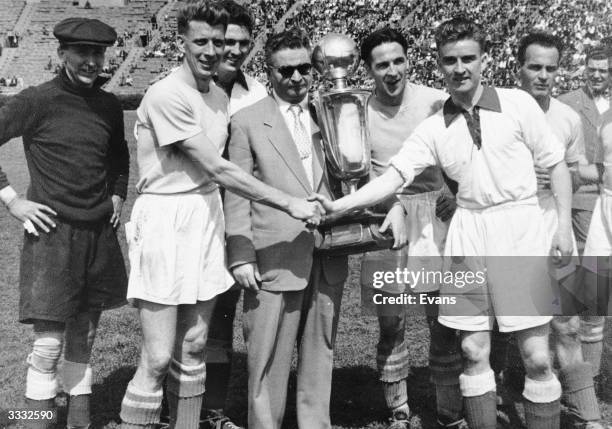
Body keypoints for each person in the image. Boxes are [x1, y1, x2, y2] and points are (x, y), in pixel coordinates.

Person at [313, 16, 573, 429]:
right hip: (467, 234)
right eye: (450, 60)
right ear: (438, 63)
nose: (460, 68)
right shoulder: (433, 127)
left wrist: (560, 229)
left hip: (520, 231)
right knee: (472, 350)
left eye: (468, 58)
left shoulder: (517, 104)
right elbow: (393, 177)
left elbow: (557, 166)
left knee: (538, 356)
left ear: (484, 59)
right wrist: (337, 207)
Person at [118, 4, 321, 429]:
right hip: (165, 215)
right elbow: (219, 167)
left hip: (206, 213)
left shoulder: (216, 95)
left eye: (219, 41)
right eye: (202, 42)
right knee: (157, 357)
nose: (212, 51)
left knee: (194, 343)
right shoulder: (166, 93)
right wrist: (287, 202)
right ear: (182, 43)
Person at [0, 17, 129, 429]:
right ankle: (32, 421)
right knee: (48, 346)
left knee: (85, 339)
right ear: (62, 54)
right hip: (52, 236)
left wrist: (117, 193)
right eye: (82, 53)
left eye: (98, 53)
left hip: (98, 235)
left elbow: (119, 157)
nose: (92, 61)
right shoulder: (37, 100)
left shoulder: (108, 105)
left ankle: (79, 422)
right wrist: (12, 201)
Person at [223, 28, 348, 429]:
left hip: (326, 252)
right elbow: (236, 191)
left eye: (304, 69)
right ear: (269, 71)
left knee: (319, 351)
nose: (296, 78)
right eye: (286, 71)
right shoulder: (246, 121)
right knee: (267, 358)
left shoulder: (330, 111)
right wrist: (240, 253)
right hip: (273, 253)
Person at [357, 27, 464, 429]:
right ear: (368, 68)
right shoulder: (360, 111)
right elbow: (358, 174)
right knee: (392, 319)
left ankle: (449, 408)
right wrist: (389, 205)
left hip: (436, 216)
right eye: (382, 64)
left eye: (398, 60)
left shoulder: (436, 101)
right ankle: (397, 407)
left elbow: (466, 152)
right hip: (386, 219)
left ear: (409, 59)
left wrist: (456, 189)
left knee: (443, 317)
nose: (392, 70)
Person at [516, 30, 604, 429]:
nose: (543, 75)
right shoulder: (498, 110)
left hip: (554, 224)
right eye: (535, 66)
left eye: (551, 68)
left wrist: (559, 173)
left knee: (567, 323)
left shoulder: (567, 117)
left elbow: (579, 172)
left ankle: (588, 416)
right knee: (504, 325)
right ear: (519, 68)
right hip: (507, 227)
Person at [202, 1, 267, 428]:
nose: (235, 50)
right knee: (204, 320)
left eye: (244, 42)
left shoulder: (258, 90)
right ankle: (201, 409)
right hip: (203, 216)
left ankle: (220, 408)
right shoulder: (189, 88)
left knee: (239, 315)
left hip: (246, 218)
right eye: (227, 41)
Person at [559, 45, 610, 384]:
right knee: (592, 290)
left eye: (603, 70)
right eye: (591, 69)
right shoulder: (568, 103)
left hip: (609, 198)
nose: (596, 75)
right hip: (584, 200)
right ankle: (586, 376)